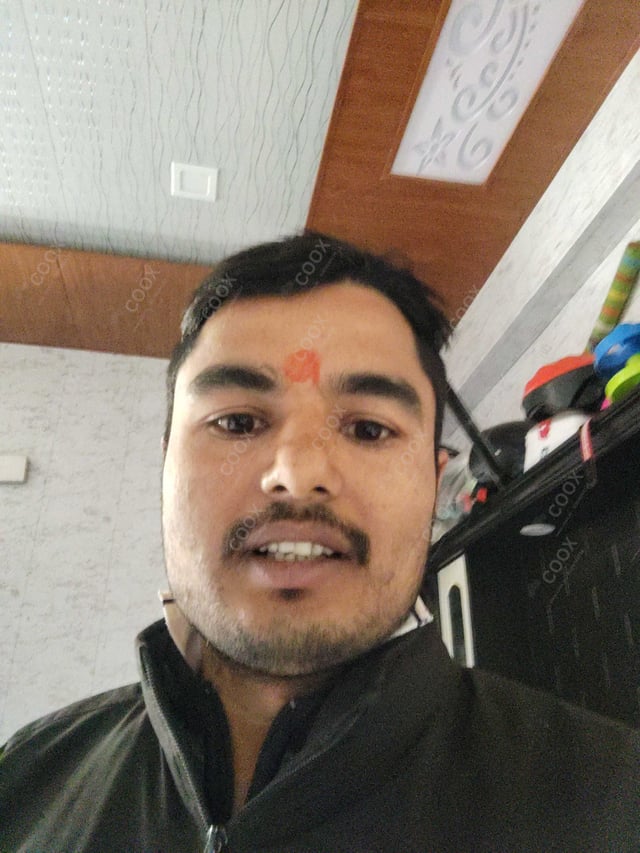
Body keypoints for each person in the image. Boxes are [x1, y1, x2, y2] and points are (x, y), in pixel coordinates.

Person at [1, 233, 638, 853]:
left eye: (368, 430)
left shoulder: (612, 799)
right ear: (166, 465)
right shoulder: (26, 777)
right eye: (237, 422)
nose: (297, 472)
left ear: (435, 482)